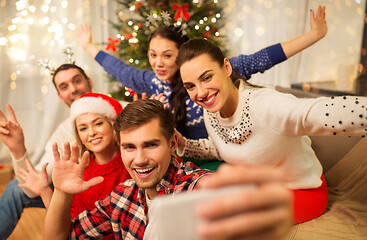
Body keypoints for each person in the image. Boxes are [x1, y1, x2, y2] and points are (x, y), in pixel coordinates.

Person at [174, 31, 367, 224]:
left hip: (301, 190)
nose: (200, 93)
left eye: (206, 78)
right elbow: (220, 147)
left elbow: (319, 112)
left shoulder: (266, 104)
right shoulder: (211, 110)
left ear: (226, 67)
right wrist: (184, 143)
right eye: (190, 86)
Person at [44, 99, 293, 240]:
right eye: (129, 147)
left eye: (151, 145)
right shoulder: (121, 197)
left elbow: (210, 191)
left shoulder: (192, 186)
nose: (139, 159)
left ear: (172, 143)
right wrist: (61, 193)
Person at [76, 5, 327, 141]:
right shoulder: (150, 81)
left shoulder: (211, 70)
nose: (158, 63)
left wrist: (314, 35)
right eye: (153, 55)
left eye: (167, 55)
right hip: (185, 161)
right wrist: (88, 46)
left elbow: (262, 58)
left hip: (225, 155)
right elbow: (120, 69)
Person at [0, 63, 93, 239]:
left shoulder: (120, 110)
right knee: (15, 188)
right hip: (78, 192)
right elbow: (32, 188)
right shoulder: (64, 131)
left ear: (89, 82)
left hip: (111, 188)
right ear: (59, 96)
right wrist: (17, 149)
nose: (73, 89)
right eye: (64, 87)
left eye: (77, 81)